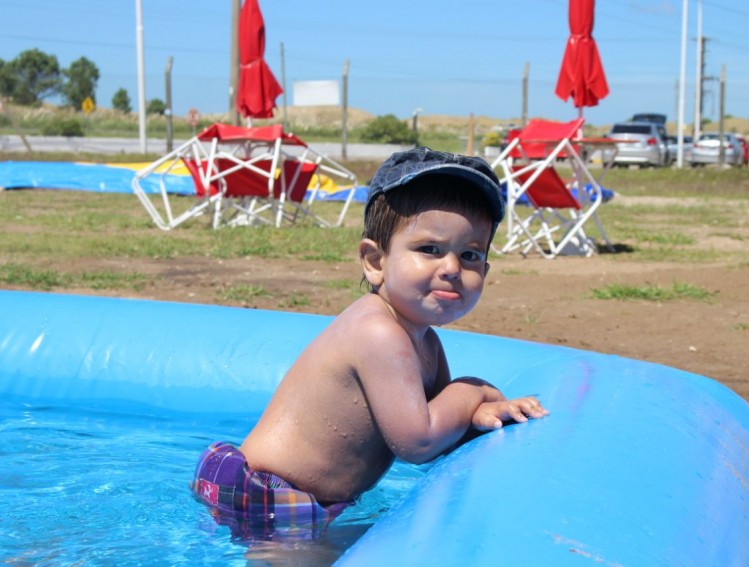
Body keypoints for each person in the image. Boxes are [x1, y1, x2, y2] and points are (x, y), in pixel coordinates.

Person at [191, 147, 548, 538]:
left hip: (305, 495)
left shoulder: (425, 342)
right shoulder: (378, 332)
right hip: (268, 491)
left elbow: (435, 430)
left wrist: (478, 416)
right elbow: (418, 442)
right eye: (429, 249)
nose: (451, 269)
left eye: (470, 255)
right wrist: (473, 390)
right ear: (375, 261)